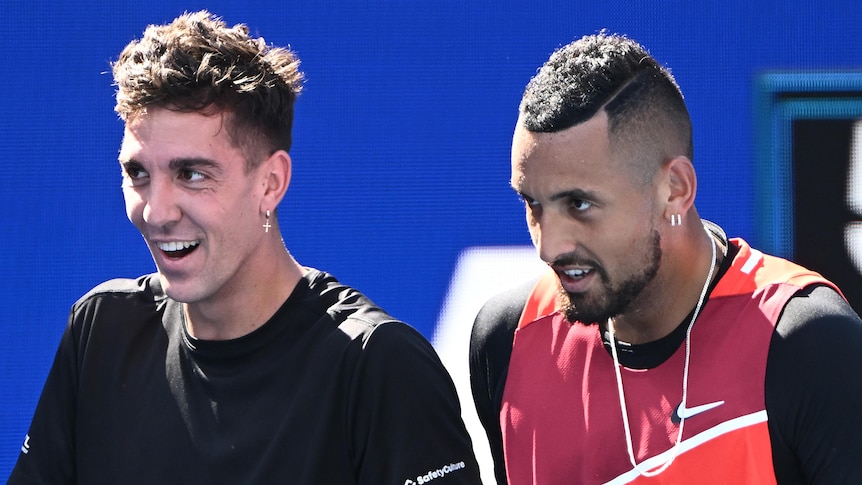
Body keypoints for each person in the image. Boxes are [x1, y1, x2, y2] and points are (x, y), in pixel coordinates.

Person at [9, 11, 481, 485]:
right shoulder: (101, 330)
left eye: (191, 174)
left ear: (270, 183)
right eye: (138, 174)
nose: (155, 212)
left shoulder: (378, 365)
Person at [469, 32, 862, 484]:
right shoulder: (507, 339)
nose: (548, 247)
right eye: (534, 205)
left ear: (674, 189)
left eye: (579, 204)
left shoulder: (810, 345)